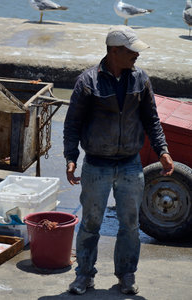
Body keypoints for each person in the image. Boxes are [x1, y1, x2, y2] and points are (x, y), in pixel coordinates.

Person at [63, 25, 174, 295]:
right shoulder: (87, 81)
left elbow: (151, 120)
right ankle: (84, 275)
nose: (136, 55)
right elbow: (72, 123)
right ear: (114, 51)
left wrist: (163, 151)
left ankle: (126, 274)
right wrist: (71, 157)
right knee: (90, 224)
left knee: (130, 224)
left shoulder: (141, 80)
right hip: (96, 164)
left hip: (130, 163)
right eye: (131, 50)